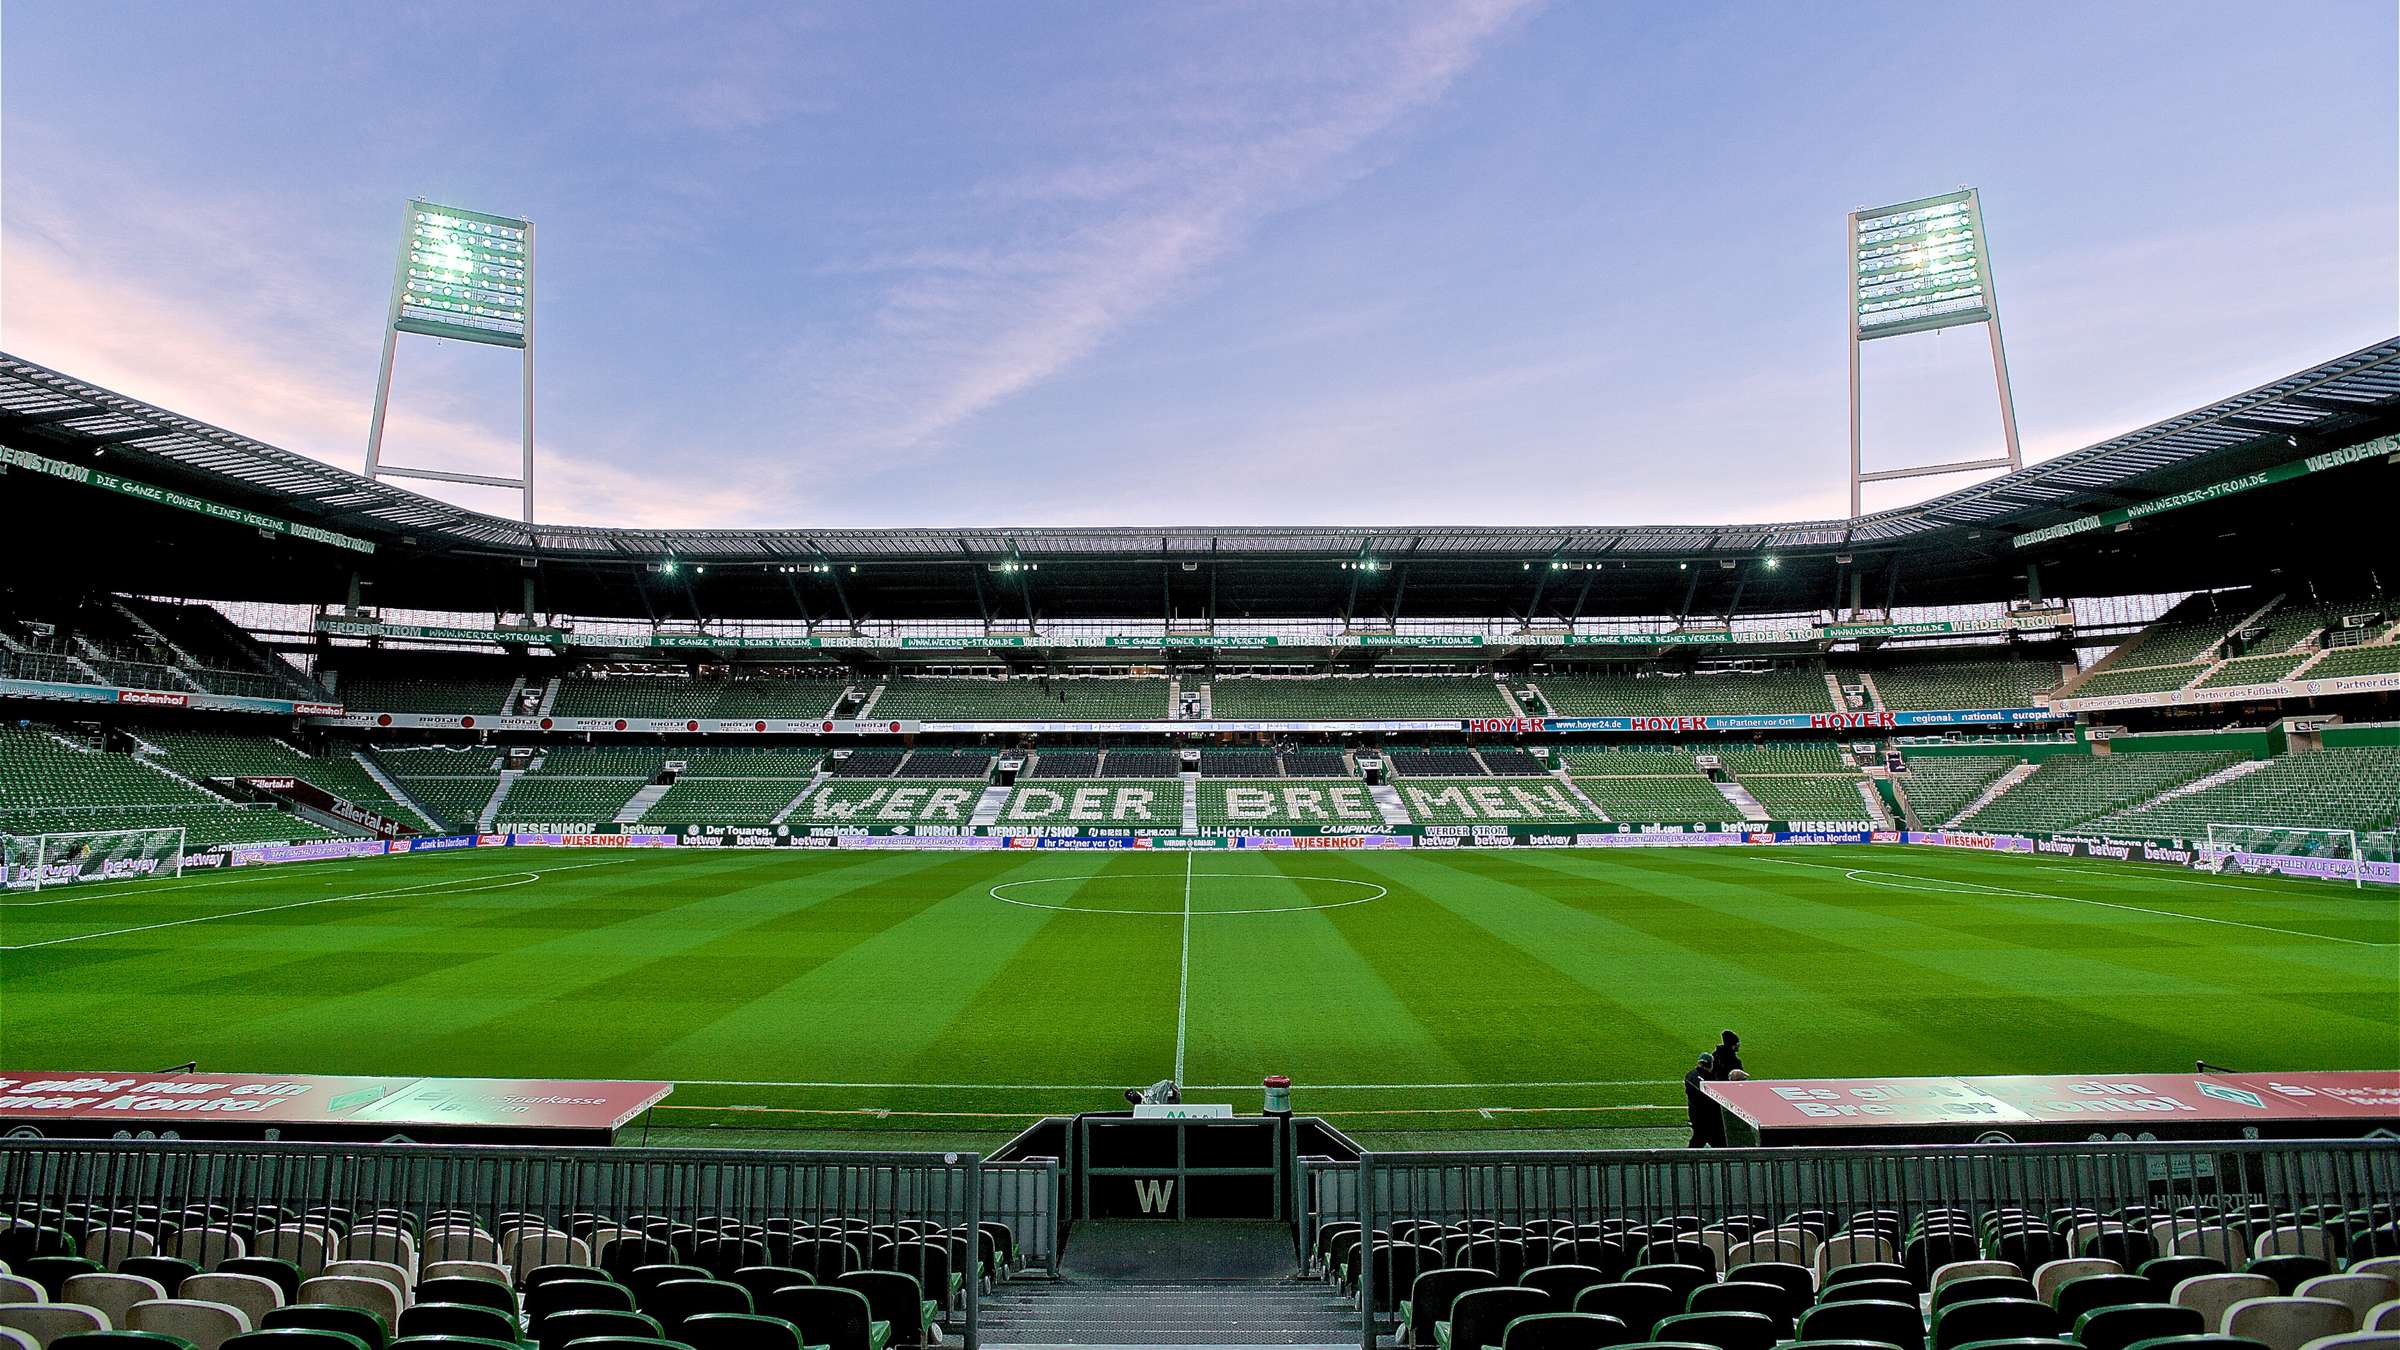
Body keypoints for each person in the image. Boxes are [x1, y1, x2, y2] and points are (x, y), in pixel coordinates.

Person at [1684, 1052, 1725, 1148]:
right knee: (1716, 1142)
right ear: (1711, 1065)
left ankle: (1688, 1159)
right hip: (1708, 1117)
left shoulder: (1690, 1075)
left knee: (1699, 1139)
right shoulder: (1707, 1079)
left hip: (1696, 1114)